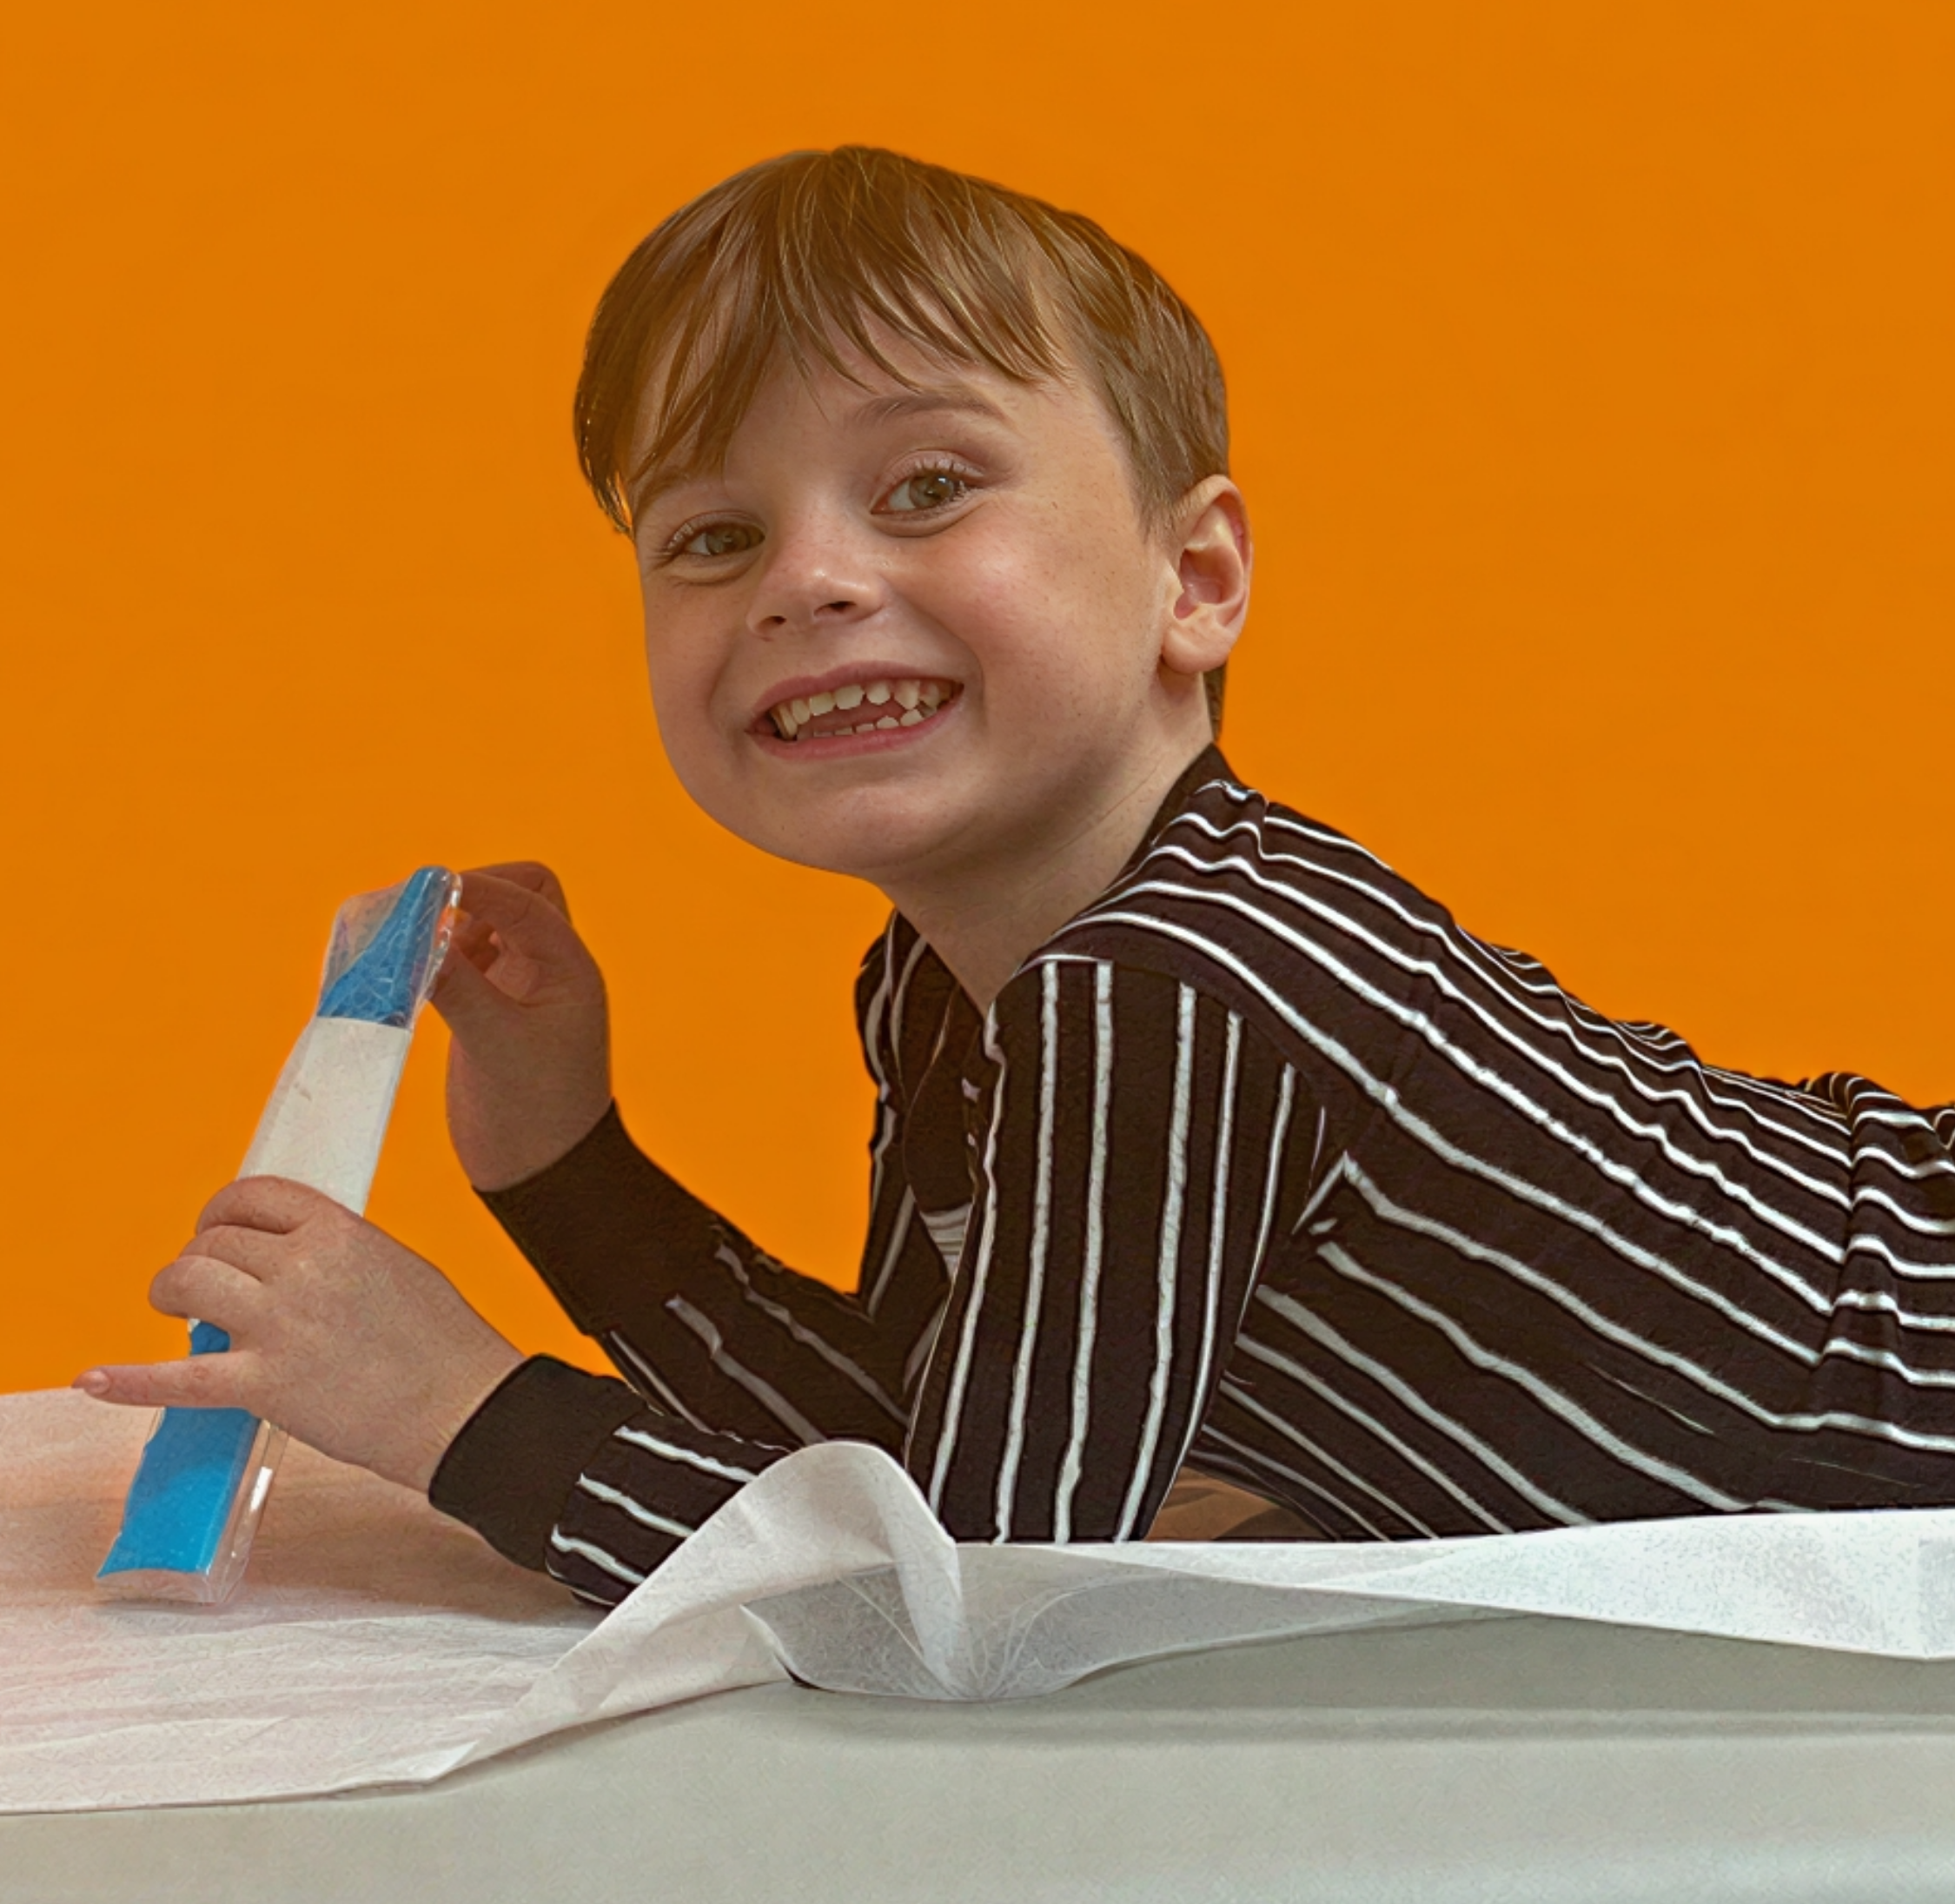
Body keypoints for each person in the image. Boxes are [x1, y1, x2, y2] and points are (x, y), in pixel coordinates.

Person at [77, 148, 1955, 1607]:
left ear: (1192, 582)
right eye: (712, 534)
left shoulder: (1166, 991)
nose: (805, 580)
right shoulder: (955, 983)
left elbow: (966, 1599)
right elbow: (926, 1448)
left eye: (924, 488)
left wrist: (462, 1415)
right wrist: (563, 1159)